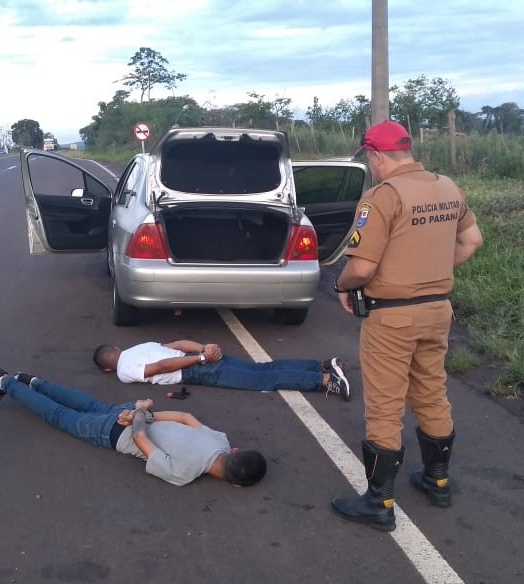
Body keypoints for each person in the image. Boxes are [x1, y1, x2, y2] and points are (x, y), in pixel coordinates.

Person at [330, 120, 483, 531]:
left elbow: (361, 268)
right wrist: (427, 270)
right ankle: (438, 480)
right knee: (432, 391)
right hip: (437, 309)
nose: (372, 168)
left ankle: (379, 503)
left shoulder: (381, 197)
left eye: (371, 161)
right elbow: (472, 242)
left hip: (392, 316)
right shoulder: (447, 187)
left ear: (377, 156)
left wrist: (340, 285)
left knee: (384, 404)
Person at [0, 365, 267, 487]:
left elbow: (185, 418)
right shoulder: (184, 474)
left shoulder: (221, 442)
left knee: (91, 404)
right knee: (60, 417)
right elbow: (141, 439)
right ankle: (4, 381)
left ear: (236, 451)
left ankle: (33, 382)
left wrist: (142, 412)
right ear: (236, 485)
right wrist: (140, 415)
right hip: (117, 432)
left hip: (129, 416)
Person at [92, 340, 350, 400]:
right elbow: (177, 343)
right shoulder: (138, 347)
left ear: (107, 369)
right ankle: (322, 365)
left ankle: (326, 380)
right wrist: (204, 348)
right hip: (201, 358)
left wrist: (200, 358)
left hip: (197, 369)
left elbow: (160, 367)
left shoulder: (123, 371)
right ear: (115, 348)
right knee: (262, 369)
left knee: (265, 380)